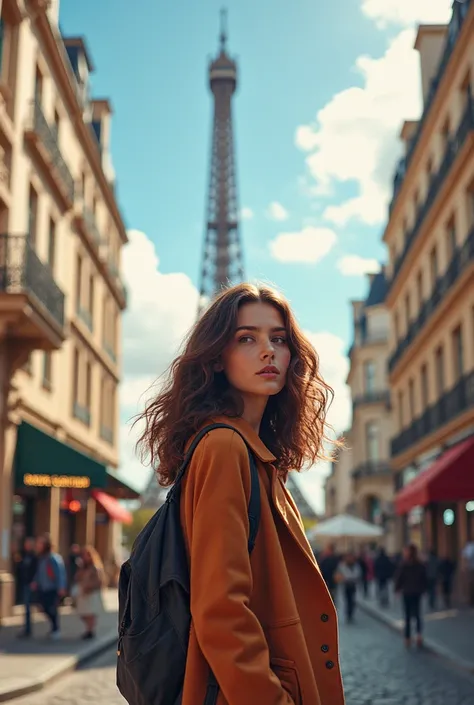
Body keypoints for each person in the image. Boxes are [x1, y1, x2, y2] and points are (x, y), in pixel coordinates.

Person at [136, 283, 346, 705]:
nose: (268, 351)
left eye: (279, 339)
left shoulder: (254, 455)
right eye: (246, 338)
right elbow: (221, 612)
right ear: (217, 358)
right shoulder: (225, 447)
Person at [31, 534, 67, 639]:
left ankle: (56, 629)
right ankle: (54, 628)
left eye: (40, 543)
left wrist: (61, 587)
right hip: (43, 587)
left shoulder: (54, 558)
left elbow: (60, 573)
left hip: (52, 588)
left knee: (51, 609)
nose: (38, 546)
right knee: (43, 607)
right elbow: (39, 572)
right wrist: (35, 582)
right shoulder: (41, 558)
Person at [394, 544, 428, 649]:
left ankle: (408, 637)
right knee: (417, 614)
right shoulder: (420, 564)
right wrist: (424, 589)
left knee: (408, 616)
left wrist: (397, 589)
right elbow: (424, 578)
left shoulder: (404, 564)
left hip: (408, 592)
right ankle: (418, 635)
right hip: (416, 592)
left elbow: (399, 578)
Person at [74, 545, 105, 639]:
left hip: (91, 593)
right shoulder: (83, 567)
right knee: (83, 613)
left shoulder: (95, 567)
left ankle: (90, 630)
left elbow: (100, 581)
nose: (85, 557)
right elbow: (77, 578)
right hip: (83, 592)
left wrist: (90, 587)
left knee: (90, 613)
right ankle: (89, 629)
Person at [16, 537, 38, 639]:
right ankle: (26, 628)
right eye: (26, 543)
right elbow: (20, 569)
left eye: (29, 544)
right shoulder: (24, 555)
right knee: (26, 607)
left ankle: (28, 629)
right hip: (24, 583)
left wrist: (34, 581)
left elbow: (36, 570)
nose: (27, 545)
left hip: (30, 584)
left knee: (28, 607)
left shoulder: (34, 557)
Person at [336, 552, 362, 624]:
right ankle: (348, 614)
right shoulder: (342, 565)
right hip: (346, 585)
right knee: (347, 600)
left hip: (353, 585)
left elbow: (358, 574)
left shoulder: (356, 566)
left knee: (352, 600)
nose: (350, 559)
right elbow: (339, 574)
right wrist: (343, 579)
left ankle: (350, 613)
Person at [462, 540, 474, 606]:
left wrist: (465, 566)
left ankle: (471, 601)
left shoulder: (470, 547)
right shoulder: (470, 547)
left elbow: (466, 558)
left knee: (470, 585)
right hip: (471, 568)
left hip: (471, 569)